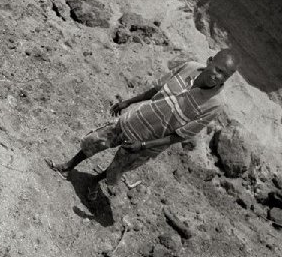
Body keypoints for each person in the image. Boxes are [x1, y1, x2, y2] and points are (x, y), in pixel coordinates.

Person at [47, 49, 239, 191]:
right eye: (218, 69)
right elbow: (157, 89)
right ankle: (68, 166)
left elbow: (179, 136)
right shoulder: (189, 67)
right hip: (134, 119)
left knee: (119, 166)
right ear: (210, 61)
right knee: (96, 140)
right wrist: (128, 102)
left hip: (149, 143)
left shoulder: (214, 105)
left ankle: (94, 182)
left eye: (224, 76)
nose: (218, 77)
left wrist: (144, 145)